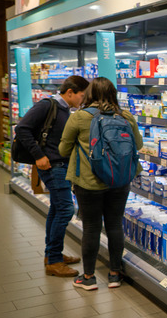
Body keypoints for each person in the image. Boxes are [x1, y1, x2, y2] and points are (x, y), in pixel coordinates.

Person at [59, 77, 143, 290]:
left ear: (89, 95)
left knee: (91, 227)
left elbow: (63, 149)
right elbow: (138, 145)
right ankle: (115, 274)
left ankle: (88, 278)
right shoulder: (126, 116)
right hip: (119, 180)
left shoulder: (79, 117)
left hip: (89, 182)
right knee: (115, 224)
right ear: (114, 94)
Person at [15, 75, 89, 277]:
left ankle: (52, 254)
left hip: (60, 165)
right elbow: (22, 128)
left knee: (57, 209)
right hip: (52, 166)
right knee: (66, 210)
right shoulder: (48, 105)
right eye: (82, 95)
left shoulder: (66, 109)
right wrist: (39, 156)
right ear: (70, 92)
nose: (83, 99)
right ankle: (54, 261)